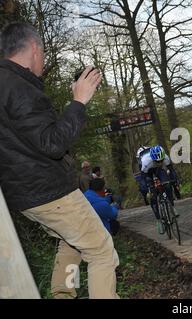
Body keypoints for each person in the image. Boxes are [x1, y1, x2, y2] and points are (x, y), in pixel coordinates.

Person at [0, 22, 119, 299]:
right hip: (50, 191)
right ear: (33, 48)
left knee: (72, 243)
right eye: (42, 53)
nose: (42, 60)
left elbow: (29, 136)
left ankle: (64, 294)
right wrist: (78, 102)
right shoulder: (18, 86)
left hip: (23, 196)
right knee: (101, 251)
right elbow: (52, 143)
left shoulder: (7, 85)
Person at [137, 145, 180, 234]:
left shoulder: (166, 159)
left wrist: (175, 181)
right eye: (158, 161)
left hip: (158, 169)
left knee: (167, 185)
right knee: (152, 196)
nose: (160, 162)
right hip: (148, 172)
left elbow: (172, 171)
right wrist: (146, 190)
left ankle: (171, 206)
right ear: (153, 159)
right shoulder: (145, 162)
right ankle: (158, 220)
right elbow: (143, 179)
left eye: (161, 160)